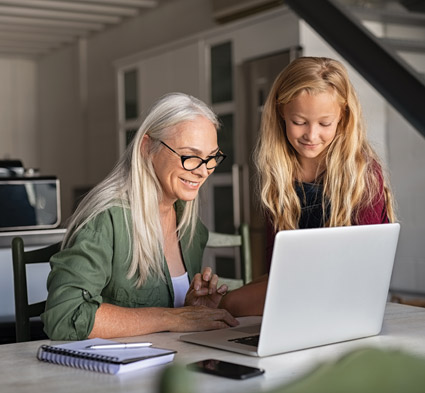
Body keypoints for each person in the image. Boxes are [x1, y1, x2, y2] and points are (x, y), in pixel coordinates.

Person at [41, 92, 239, 340]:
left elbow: (169, 328)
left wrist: (190, 310)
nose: (203, 171)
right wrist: (171, 318)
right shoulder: (106, 219)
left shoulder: (191, 229)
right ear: (147, 148)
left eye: (211, 158)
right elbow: (65, 316)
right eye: (190, 156)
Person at [220, 56, 397, 316]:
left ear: (343, 116)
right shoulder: (280, 171)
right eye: (299, 122)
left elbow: (366, 267)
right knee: (225, 302)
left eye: (325, 124)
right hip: (295, 290)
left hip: (347, 296)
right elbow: (276, 266)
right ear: (281, 111)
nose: (311, 135)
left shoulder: (362, 173)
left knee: (229, 305)